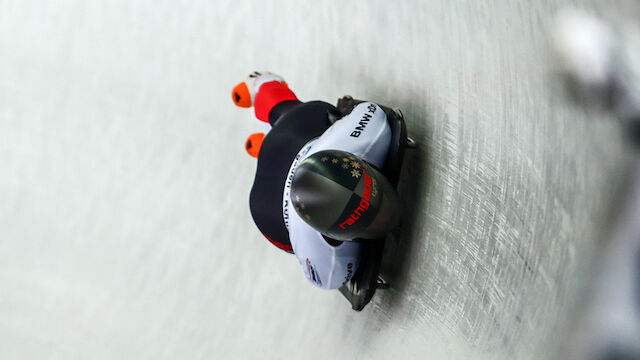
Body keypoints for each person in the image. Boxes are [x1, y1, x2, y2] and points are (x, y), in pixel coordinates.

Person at [232, 71, 400, 289]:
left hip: (303, 134)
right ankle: (263, 109)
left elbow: (371, 112)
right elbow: (323, 280)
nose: (383, 217)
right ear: (332, 234)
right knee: (289, 114)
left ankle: (260, 92)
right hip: (271, 208)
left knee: (296, 113)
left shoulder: (372, 132)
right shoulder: (326, 262)